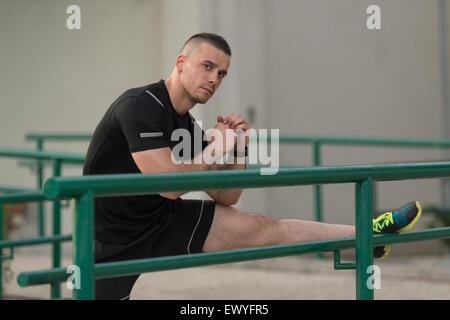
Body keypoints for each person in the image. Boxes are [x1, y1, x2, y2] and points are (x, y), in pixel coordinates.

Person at [83, 32, 422, 300]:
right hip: (112, 239)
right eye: (207, 66)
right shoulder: (139, 105)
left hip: (161, 221)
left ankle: (369, 232)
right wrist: (217, 147)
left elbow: (228, 195)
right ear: (181, 61)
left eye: (222, 73)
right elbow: (167, 185)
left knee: (263, 225)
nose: (214, 78)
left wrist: (237, 149)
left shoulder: (187, 125)